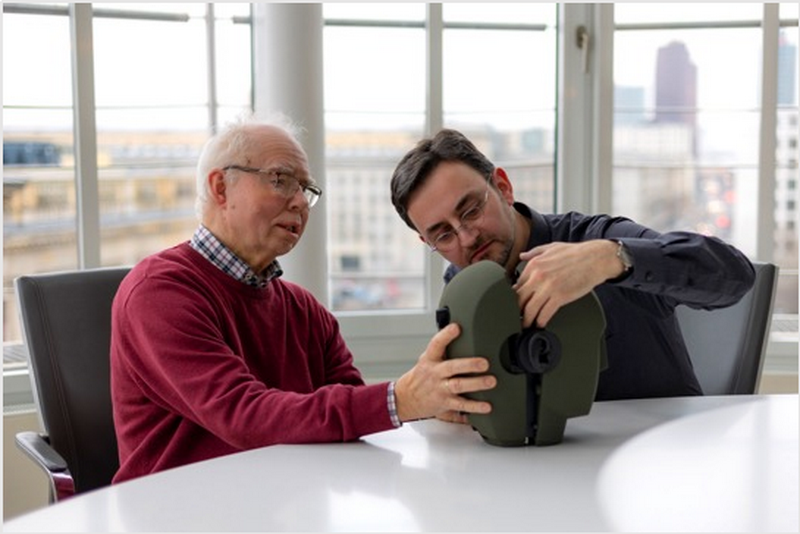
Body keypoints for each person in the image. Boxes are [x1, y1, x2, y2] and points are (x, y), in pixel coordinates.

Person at [110, 116, 496, 484]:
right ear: (221, 188)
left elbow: (353, 415)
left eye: (305, 189)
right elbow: (243, 416)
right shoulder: (158, 292)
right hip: (176, 512)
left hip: (285, 504)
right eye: (281, 180)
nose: (298, 202)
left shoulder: (304, 310)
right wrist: (403, 399)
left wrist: (428, 402)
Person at [390, 128, 756, 401]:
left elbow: (737, 275)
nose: (467, 237)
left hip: (654, 457)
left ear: (503, 187)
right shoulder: (462, 286)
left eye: (471, 210)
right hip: (540, 469)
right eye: (443, 235)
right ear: (427, 243)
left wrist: (613, 258)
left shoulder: (595, 241)